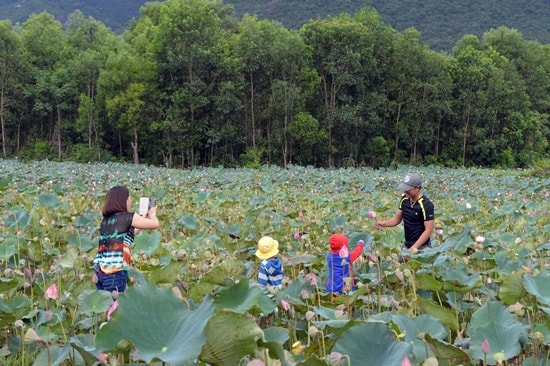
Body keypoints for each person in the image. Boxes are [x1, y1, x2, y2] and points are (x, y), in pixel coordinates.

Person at [93, 185, 160, 293]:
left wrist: (145, 219)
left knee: (106, 307)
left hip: (99, 271)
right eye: (129, 197)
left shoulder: (106, 220)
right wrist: (152, 214)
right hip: (115, 272)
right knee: (116, 308)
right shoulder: (128, 216)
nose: (131, 200)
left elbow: (127, 236)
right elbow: (155, 224)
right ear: (123, 200)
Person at [375, 172, 435, 261]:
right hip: (407, 245)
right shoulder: (404, 200)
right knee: (399, 271)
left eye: (408, 190)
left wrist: (413, 249)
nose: (405, 192)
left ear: (417, 188)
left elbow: (428, 230)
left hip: (422, 247)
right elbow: (396, 219)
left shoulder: (426, 205)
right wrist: (383, 223)